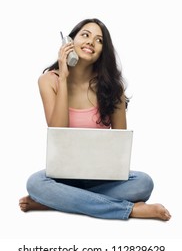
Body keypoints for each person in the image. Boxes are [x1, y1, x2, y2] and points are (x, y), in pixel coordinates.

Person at [19, 18, 171, 221]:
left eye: (99, 40)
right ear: (69, 42)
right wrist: (64, 77)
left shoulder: (113, 89)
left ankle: (54, 201)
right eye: (85, 35)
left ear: (102, 52)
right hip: (63, 178)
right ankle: (130, 210)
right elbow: (57, 129)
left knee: (144, 183)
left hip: (101, 177)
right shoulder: (50, 81)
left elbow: (119, 147)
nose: (91, 41)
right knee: (35, 183)